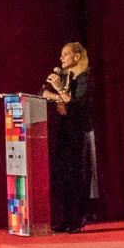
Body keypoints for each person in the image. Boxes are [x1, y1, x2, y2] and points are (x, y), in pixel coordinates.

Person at [42, 42, 94, 234]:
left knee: (75, 175)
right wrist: (59, 98)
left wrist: (61, 92)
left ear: (77, 57)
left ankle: (77, 219)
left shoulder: (85, 78)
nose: (61, 58)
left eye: (66, 54)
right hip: (64, 131)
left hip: (79, 132)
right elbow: (42, 91)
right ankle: (64, 219)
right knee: (62, 175)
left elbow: (78, 103)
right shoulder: (64, 76)